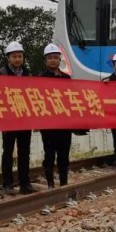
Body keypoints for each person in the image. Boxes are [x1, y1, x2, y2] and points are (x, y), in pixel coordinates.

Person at [0, 41, 37, 195]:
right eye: (14, 56)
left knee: (24, 151)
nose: (18, 59)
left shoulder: (28, 73)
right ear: (8, 58)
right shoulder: (1, 73)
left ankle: (24, 183)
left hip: (24, 119)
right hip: (9, 119)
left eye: (20, 56)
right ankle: (7, 183)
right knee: (7, 151)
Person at [39, 43, 73, 188]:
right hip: (48, 124)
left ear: (59, 59)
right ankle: (50, 183)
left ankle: (64, 182)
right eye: (50, 58)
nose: (53, 60)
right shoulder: (39, 79)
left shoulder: (66, 79)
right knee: (49, 154)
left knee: (64, 155)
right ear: (45, 60)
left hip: (64, 124)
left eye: (55, 57)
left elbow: (72, 99)